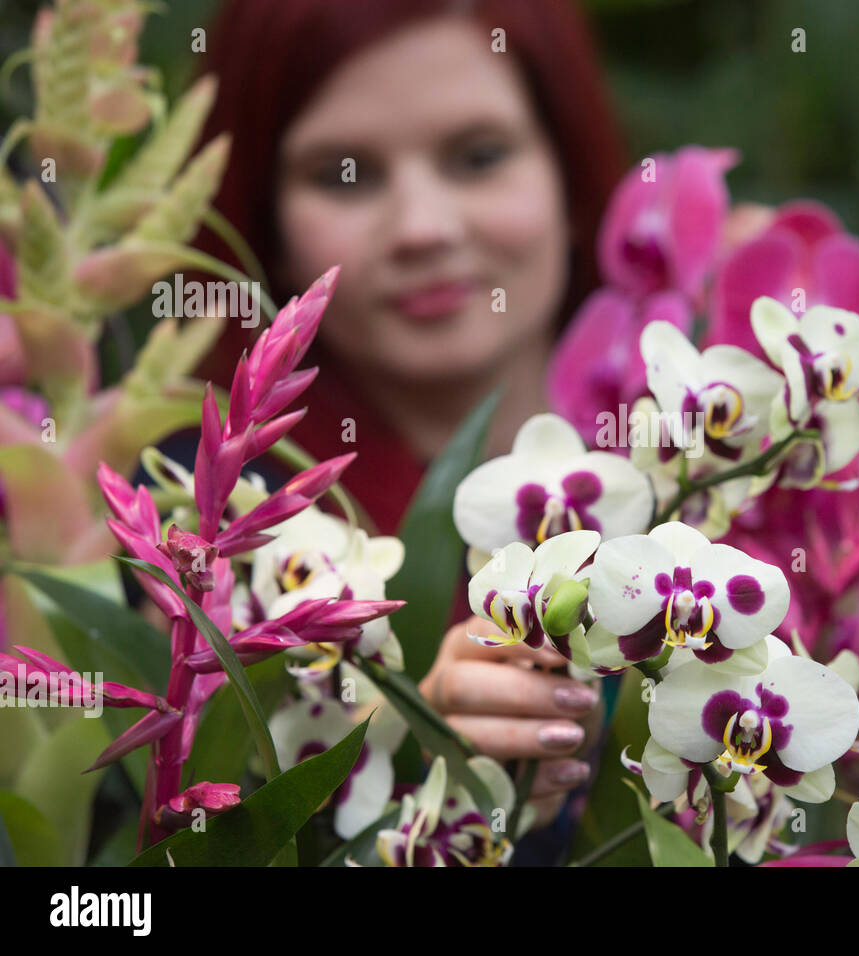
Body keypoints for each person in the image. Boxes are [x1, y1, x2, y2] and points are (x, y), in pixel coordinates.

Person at [195, 0, 632, 835]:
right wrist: (392, 751)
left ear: (570, 171)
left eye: (478, 156)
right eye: (343, 174)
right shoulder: (216, 522)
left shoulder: (722, 457)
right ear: (265, 220)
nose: (423, 230)